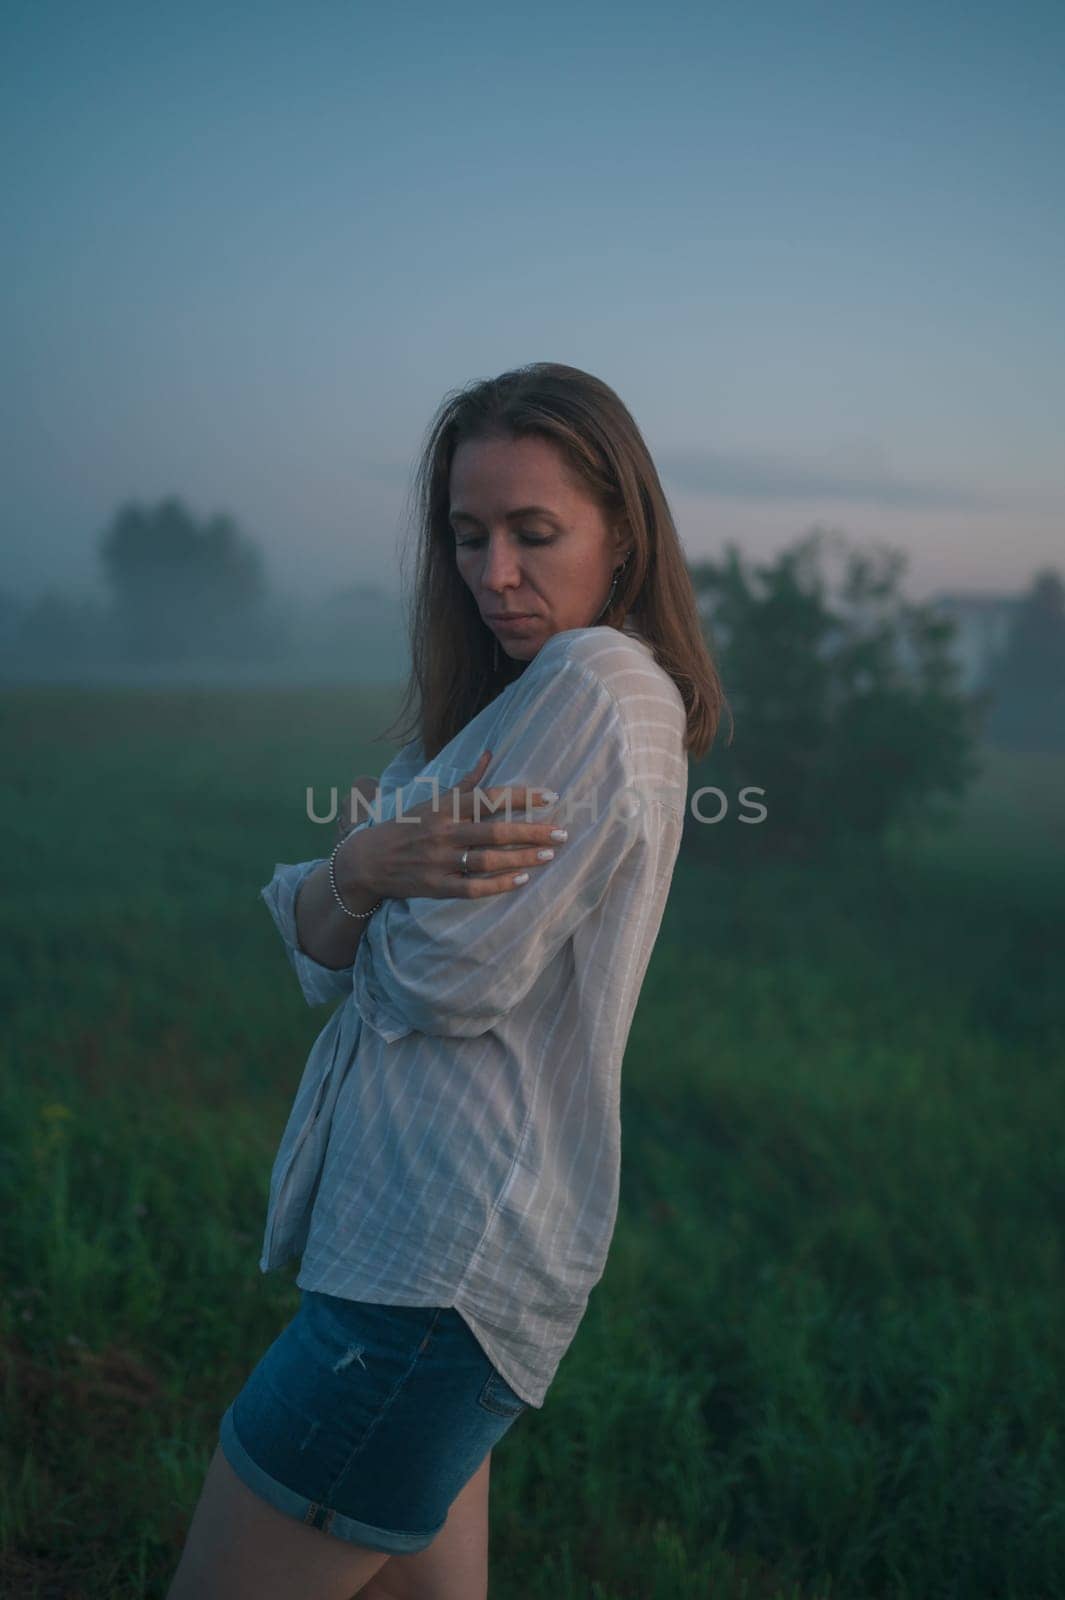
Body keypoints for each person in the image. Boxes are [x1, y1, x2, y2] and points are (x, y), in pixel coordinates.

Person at [166, 362, 726, 1600]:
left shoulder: (596, 686)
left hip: (436, 1270)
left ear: (623, 534)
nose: (494, 573)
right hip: (415, 1254)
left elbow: (433, 981)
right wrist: (366, 867)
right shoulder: (506, 703)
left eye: (536, 532)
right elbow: (317, 934)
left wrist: (357, 876)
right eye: (469, 535)